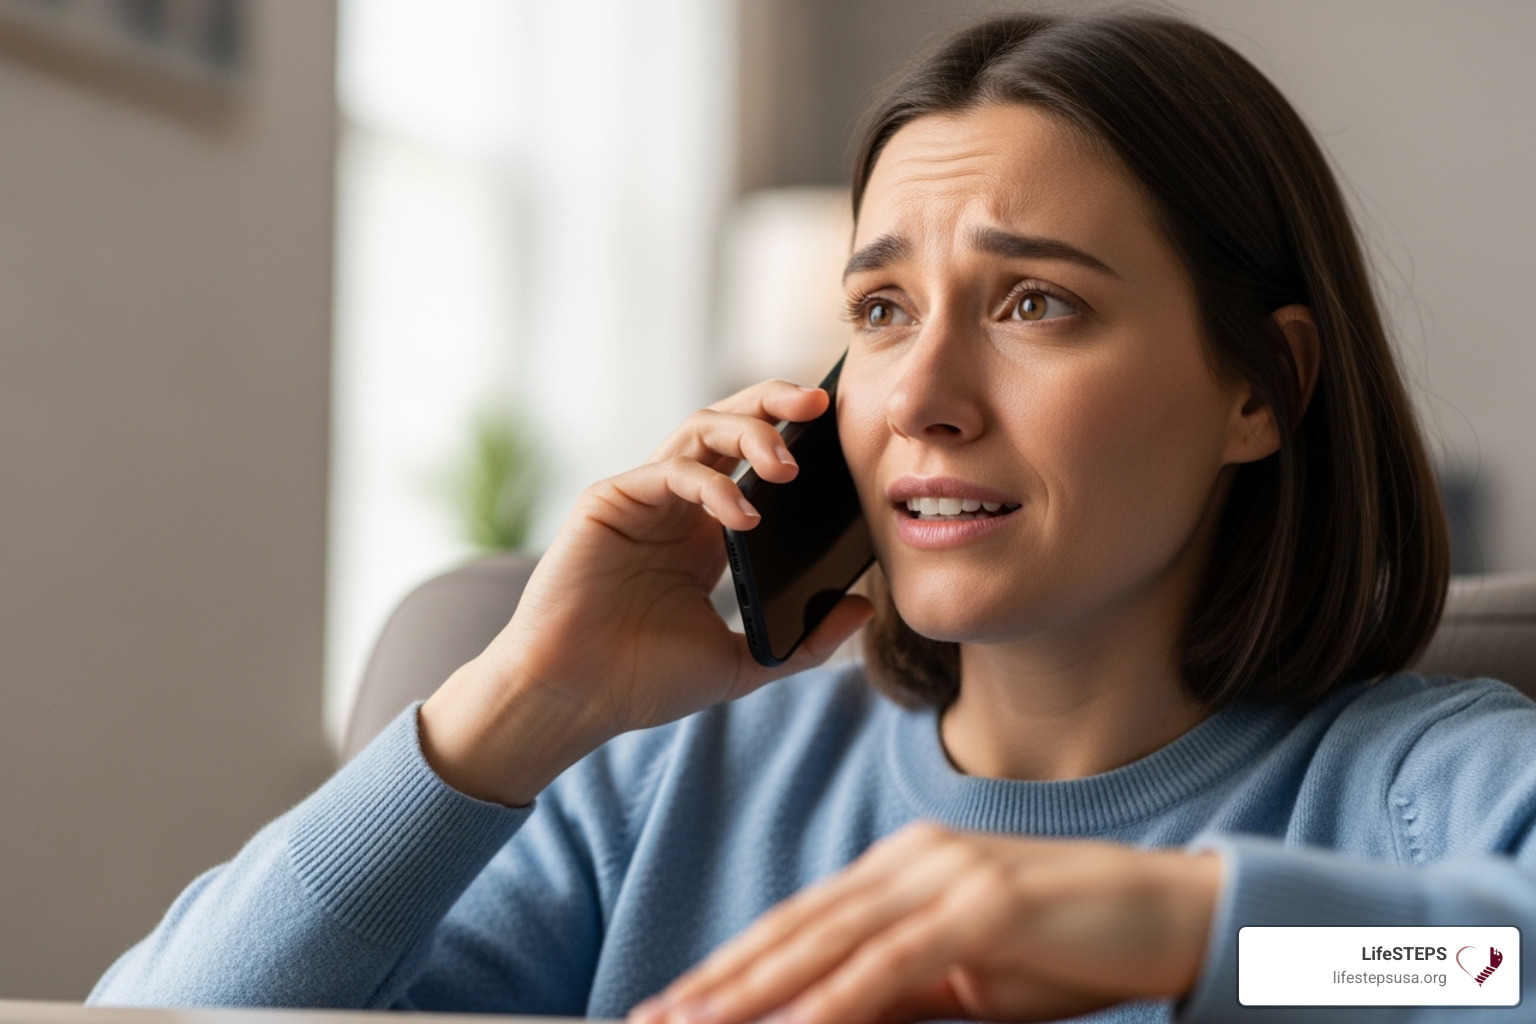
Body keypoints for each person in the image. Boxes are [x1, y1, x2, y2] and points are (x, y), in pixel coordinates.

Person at [90, 11, 1536, 1024]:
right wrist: (528, 700)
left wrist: (1156, 927)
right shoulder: (657, 791)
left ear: (1262, 389)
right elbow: (161, 1021)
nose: (923, 396)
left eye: (1037, 304)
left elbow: (1485, 975)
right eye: (881, 311)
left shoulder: (1417, 791)